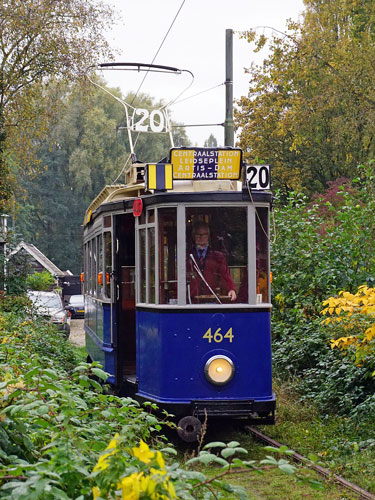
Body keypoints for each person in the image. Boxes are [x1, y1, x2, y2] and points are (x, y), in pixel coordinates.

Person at [187, 222, 237, 302]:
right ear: (193, 236)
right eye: (198, 234)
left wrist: (231, 289)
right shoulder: (187, 256)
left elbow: (225, 275)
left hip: (212, 299)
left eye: (204, 235)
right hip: (192, 300)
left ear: (208, 236)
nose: (201, 237)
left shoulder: (217, 257)